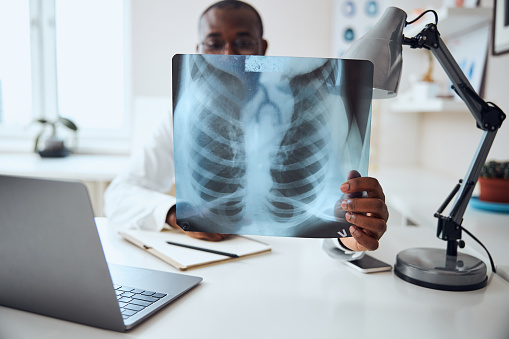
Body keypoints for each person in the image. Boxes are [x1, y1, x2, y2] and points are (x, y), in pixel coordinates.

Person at [104, 0, 388, 257]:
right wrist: (173, 214)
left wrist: (354, 234)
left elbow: (333, 217)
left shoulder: (316, 105)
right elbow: (119, 195)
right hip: (210, 261)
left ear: (262, 49)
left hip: (293, 266)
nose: (227, 55)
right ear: (198, 51)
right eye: (213, 44)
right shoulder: (184, 114)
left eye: (242, 43)